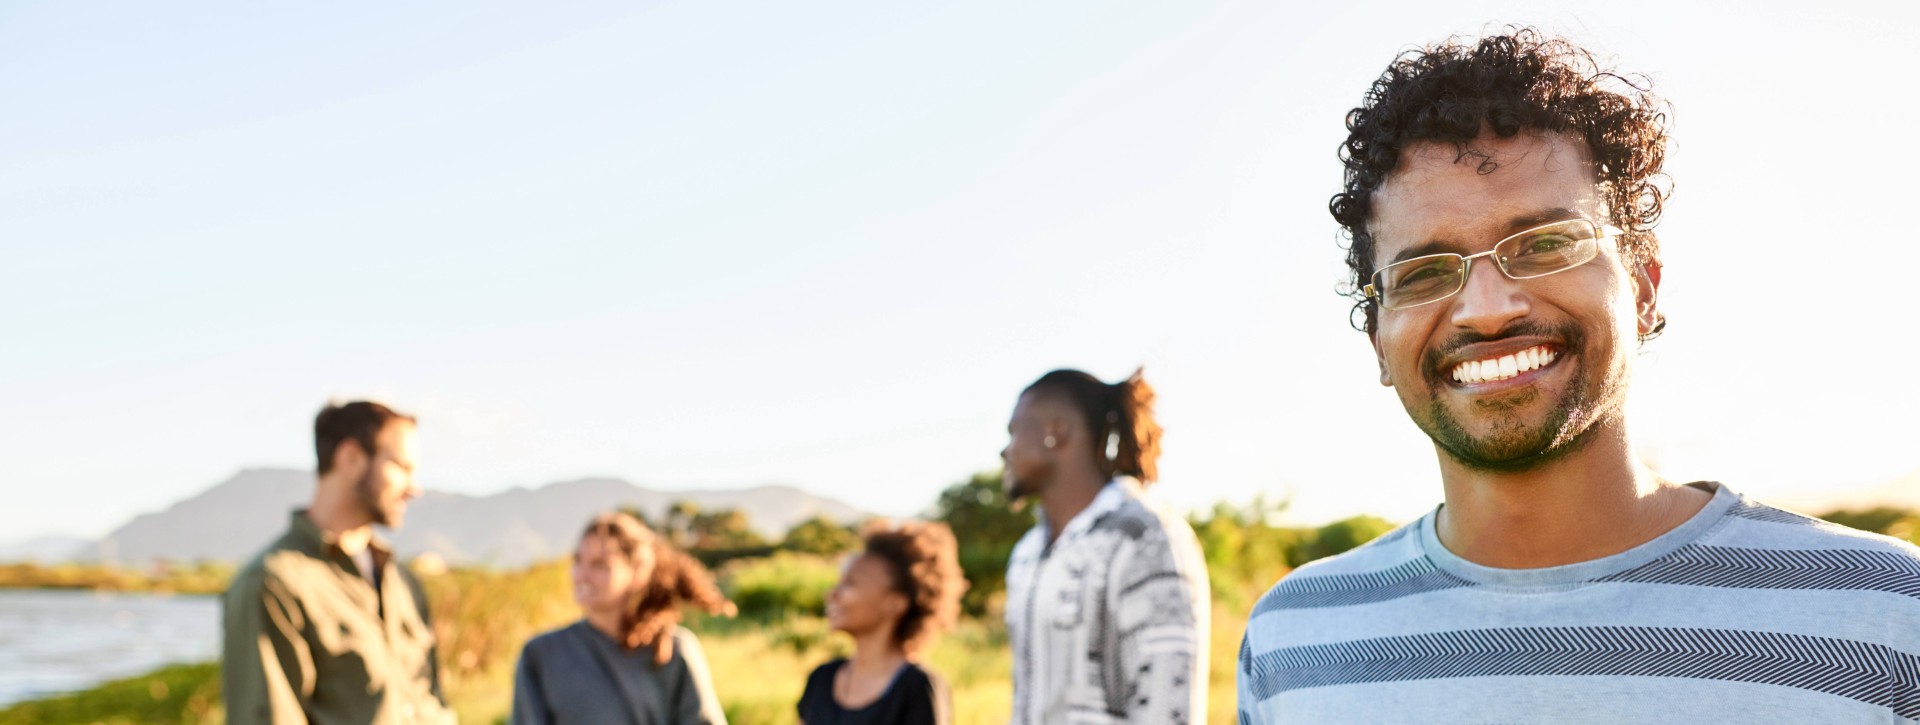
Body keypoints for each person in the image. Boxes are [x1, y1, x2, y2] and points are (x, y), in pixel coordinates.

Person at [1237, 28, 1920, 722]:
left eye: (1547, 245)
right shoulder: (1292, 646)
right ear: (1379, 339)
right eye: (1423, 273)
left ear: (1644, 288)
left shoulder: (1886, 617)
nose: (1488, 310)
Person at [222, 400, 453, 724]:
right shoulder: (272, 583)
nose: (415, 488)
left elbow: (431, 701)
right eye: (402, 467)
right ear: (351, 458)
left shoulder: (403, 582)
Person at [1001, 368, 1210, 724]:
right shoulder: (1026, 552)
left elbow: (1168, 708)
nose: (1005, 451)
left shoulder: (1145, 536)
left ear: (1056, 431)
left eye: (1015, 431)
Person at [511, 511, 733, 725]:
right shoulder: (541, 654)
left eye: (599, 564)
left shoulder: (673, 651)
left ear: (638, 572)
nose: (582, 575)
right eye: (578, 561)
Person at [797, 520, 965, 725]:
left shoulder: (917, 688)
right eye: (838, 583)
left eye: (850, 584)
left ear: (895, 603)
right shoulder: (822, 679)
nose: (832, 594)